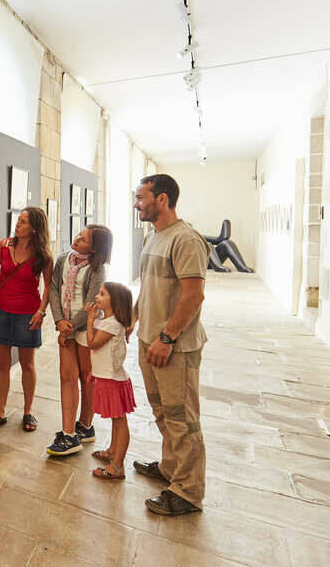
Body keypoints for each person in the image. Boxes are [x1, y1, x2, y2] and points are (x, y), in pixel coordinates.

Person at [131, 173, 209, 516]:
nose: (137, 204)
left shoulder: (185, 239)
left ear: (161, 199)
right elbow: (150, 287)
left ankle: (188, 492)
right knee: (163, 411)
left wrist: (166, 337)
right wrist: (134, 317)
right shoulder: (155, 236)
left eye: (141, 197)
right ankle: (170, 468)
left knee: (183, 418)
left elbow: (194, 296)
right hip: (151, 341)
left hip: (173, 347)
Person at [0, 207, 53, 432]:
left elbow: (49, 287)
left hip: (27, 314)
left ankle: (28, 412)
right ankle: (1, 412)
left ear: (34, 228)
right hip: (1, 311)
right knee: (2, 365)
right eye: (18, 221)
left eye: (22, 222)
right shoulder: (3, 245)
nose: (17, 224)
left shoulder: (43, 256)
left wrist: (41, 312)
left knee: (27, 364)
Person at [46, 225, 113, 456]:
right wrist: (59, 322)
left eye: (83, 239)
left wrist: (71, 326)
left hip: (86, 328)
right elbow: (54, 289)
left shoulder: (98, 269)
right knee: (67, 376)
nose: (76, 239)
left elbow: (92, 303)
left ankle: (85, 426)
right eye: (78, 234)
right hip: (66, 326)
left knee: (87, 377)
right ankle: (68, 434)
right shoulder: (63, 259)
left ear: (94, 248)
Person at [85, 282, 136, 480]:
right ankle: (112, 451)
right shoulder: (106, 321)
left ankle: (118, 465)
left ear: (114, 302)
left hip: (113, 380)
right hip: (106, 377)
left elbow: (92, 343)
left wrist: (90, 320)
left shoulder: (112, 324)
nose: (97, 297)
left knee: (119, 421)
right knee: (116, 420)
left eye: (102, 294)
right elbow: (101, 354)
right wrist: (94, 372)